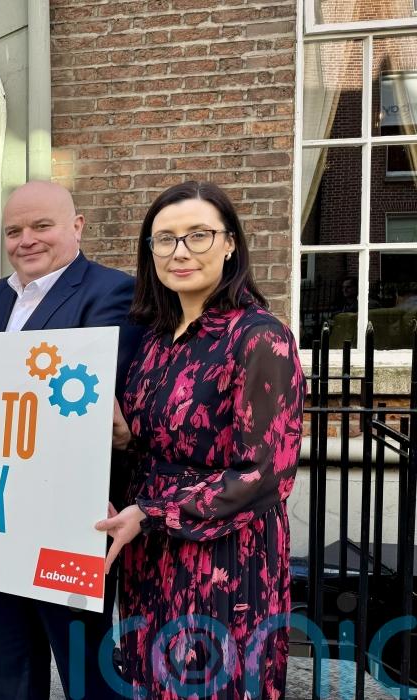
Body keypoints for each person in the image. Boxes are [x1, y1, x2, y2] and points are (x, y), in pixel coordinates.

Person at [95, 181, 303, 699]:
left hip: (223, 558)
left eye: (198, 235)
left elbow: (264, 475)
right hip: (148, 553)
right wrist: (125, 442)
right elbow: (159, 444)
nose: (180, 251)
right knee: (149, 681)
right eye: (165, 239)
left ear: (230, 243)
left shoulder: (259, 337)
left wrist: (152, 512)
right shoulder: (155, 341)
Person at [0, 181, 141, 700]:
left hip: (69, 519)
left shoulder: (113, 291)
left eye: (41, 226)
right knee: (10, 663)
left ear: (77, 227)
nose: (26, 239)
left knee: (84, 668)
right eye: (14, 230)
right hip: (0, 517)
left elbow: (93, 394)